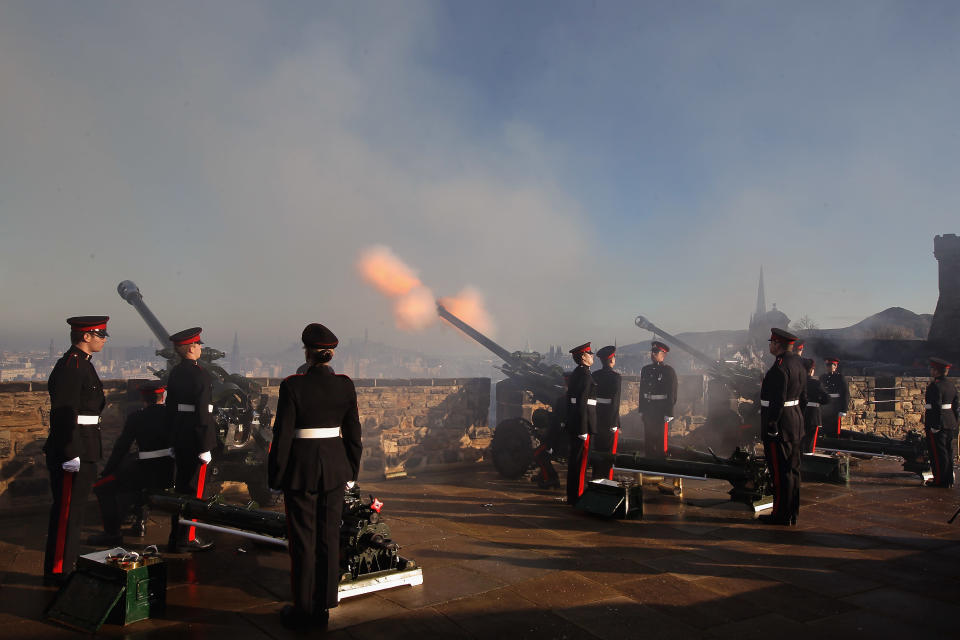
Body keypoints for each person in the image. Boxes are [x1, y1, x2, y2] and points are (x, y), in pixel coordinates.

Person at [268, 323, 362, 631]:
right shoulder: (345, 385)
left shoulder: (292, 385)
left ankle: (303, 609)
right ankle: (323, 606)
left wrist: (276, 476)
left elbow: (282, 435)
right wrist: (351, 471)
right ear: (331, 354)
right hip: (336, 469)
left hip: (302, 470)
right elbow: (353, 434)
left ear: (307, 352)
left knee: (303, 542)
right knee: (329, 537)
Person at [43, 316, 109, 585]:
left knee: (75, 511)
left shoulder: (82, 365)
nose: (104, 339)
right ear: (86, 337)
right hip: (75, 448)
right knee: (67, 511)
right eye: (100, 334)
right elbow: (63, 413)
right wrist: (70, 453)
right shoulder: (72, 367)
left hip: (85, 446)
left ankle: (66, 563)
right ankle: (60, 568)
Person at [90, 381, 173, 545]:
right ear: (163, 396)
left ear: (144, 398)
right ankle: (139, 523)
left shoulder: (137, 417)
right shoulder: (173, 416)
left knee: (102, 487)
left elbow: (121, 447)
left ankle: (112, 533)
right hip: (170, 471)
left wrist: (107, 471)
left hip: (146, 471)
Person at [166, 327, 217, 552]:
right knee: (195, 491)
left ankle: (175, 536)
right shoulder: (200, 374)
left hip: (180, 435)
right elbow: (203, 412)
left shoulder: (176, 372)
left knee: (181, 490)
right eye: (197, 345)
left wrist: (172, 438)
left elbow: (171, 408)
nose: (200, 348)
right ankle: (188, 537)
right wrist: (205, 445)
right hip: (196, 438)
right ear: (190, 348)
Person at [758, 328, 807, 526]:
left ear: (778, 344)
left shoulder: (779, 367)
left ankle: (780, 514)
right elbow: (803, 398)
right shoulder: (798, 363)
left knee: (779, 472)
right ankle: (792, 511)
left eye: (771, 342)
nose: (770, 345)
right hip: (795, 423)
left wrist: (772, 424)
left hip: (780, 427)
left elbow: (777, 400)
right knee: (793, 471)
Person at [639, 341, 680, 494]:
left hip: (661, 409)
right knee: (648, 439)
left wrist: (669, 413)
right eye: (652, 352)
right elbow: (642, 391)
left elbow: (672, 393)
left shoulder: (669, 371)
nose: (653, 354)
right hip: (649, 409)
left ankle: (660, 470)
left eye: (656, 353)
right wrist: (642, 410)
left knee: (660, 441)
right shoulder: (646, 370)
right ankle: (650, 469)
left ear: (663, 355)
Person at [565, 343, 596, 505]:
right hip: (583, 424)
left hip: (575, 422)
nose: (592, 356)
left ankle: (572, 495)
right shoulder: (585, 375)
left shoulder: (577, 373)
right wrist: (583, 428)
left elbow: (572, 401)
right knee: (581, 463)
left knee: (575, 462)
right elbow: (582, 403)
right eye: (590, 354)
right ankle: (578, 495)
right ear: (583, 357)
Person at [923, 357, 959, 488]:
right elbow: (955, 406)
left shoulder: (935, 386)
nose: (931, 371)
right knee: (948, 452)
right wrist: (955, 422)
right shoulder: (951, 385)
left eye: (932, 369)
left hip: (938, 424)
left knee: (938, 454)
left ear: (936, 371)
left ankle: (939, 480)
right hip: (950, 422)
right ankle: (948, 478)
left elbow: (936, 406)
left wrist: (936, 425)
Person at [591, 346, 622, 480]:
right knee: (608, 451)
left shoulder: (595, 375)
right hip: (609, 418)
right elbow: (615, 402)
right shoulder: (616, 377)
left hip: (596, 415)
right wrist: (615, 422)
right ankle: (605, 478)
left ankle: (596, 476)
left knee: (597, 449)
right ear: (611, 360)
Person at [800, 359, 831, 454]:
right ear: (811, 370)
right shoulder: (816, 383)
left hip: (799, 412)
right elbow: (827, 399)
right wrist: (818, 400)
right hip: (812, 413)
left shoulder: (797, 382)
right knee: (810, 440)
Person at [820, 357, 849, 437]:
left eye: (831, 365)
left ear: (835, 366)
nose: (829, 367)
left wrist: (843, 410)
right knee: (824, 428)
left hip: (835, 406)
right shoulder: (823, 377)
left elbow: (845, 394)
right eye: (827, 365)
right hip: (825, 406)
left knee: (835, 430)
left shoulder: (840, 377)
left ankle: (834, 447)